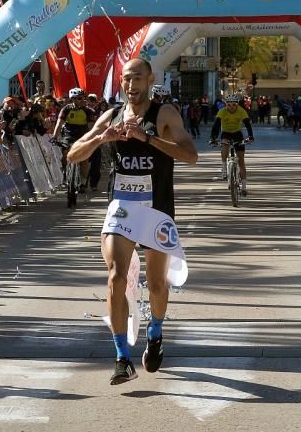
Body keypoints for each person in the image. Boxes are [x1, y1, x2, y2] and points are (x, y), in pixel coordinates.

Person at [67, 58, 198, 385]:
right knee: (116, 276)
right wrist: (100, 139)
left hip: (157, 210)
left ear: (150, 79)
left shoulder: (164, 114)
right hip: (122, 209)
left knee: (156, 284)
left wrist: (148, 139)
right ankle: (122, 357)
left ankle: (154, 333)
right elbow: (72, 155)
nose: (131, 84)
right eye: (126, 79)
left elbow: (190, 155)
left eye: (137, 78)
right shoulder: (110, 115)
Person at [210, 94, 255, 195]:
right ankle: (224, 167)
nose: (231, 107)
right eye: (229, 105)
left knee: (241, 161)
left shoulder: (241, 111)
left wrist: (250, 136)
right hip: (226, 133)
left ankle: (244, 187)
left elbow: (247, 124)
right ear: (226, 105)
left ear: (237, 105)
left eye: (234, 105)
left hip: (237, 133)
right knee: (225, 144)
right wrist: (212, 138)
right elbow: (216, 126)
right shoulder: (222, 111)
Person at [53, 88, 95, 192]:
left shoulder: (88, 111)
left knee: (84, 160)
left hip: (83, 135)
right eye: (75, 98)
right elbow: (59, 124)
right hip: (69, 134)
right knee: (65, 154)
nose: (78, 100)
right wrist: (54, 137)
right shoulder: (66, 109)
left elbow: (91, 127)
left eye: (80, 98)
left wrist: (92, 139)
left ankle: (83, 182)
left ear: (83, 98)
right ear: (72, 99)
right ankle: (65, 172)